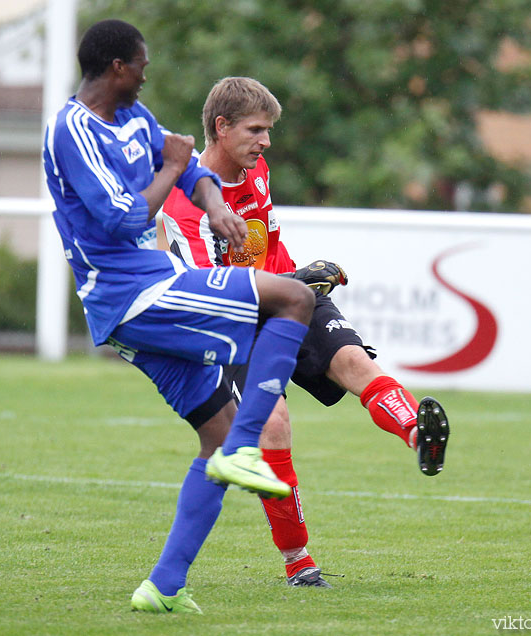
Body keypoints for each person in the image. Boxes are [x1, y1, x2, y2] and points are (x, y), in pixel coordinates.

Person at [42, 22, 316, 614]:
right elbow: (121, 217)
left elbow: (192, 170)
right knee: (294, 299)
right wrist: (172, 171)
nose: (146, 74)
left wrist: (214, 203)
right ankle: (250, 445)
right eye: (140, 64)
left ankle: (163, 585)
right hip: (130, 295)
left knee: (213, 436)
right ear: (116, 66)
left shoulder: (135, 119)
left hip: (148, 289)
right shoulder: (72, 129)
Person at [160, 76, 451, 588]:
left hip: (289, 297)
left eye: (269, 130)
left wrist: (297, 280)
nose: (266, 141)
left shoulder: (256, 169)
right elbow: (209, 289)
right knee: (273, 426)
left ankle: (417, 433)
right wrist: (291, 280)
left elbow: (267, 242)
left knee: (357, 363)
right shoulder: (186, 203)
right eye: (256, 130)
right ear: (221, 128)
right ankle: (298, 561)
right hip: (232, 321)